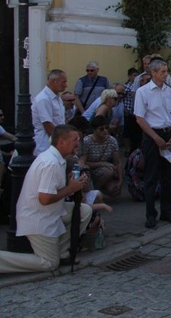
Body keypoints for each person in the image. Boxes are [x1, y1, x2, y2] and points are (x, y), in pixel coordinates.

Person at [0, 125, 92, 272]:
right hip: (38, 218)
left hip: (50, 212)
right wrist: (71, 188)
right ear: (61, 142)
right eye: (75, 139)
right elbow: (44, 199)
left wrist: (71, 185)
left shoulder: (55, 158)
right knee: (49, 263)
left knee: (84, 211)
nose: (78, 143)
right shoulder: (51, 163)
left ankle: (61, 252)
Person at [134, 59, 171, 229]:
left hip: (168, 133)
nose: (165, 74)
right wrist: (155, 137)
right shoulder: (143, 92)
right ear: (153, 73)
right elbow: (140, 118)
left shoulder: (168, 91)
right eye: (162, 71)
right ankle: (150, 214)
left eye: (165, 71)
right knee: (151, 176)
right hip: (152, 134)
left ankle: (167, 211)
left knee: (168, 176)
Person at [79, 116, 123, 198]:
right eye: (101, 129)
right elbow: (83, 162)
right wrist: (103, 163)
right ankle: (93, 193)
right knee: (108, 171)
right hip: (90, 171)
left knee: (114, 190)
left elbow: (118, 162)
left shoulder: (112, 140)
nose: (105, 131)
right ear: (94, 130)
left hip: (103, 171)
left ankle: (98, 190)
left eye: (107, 128)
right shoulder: (87, 141)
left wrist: (120, 181)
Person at [32, 70, 68, 156]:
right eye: (63, 82)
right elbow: (47, 125)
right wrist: (62, 141)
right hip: (46, 145)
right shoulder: (43, 99)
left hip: (56, 143)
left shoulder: (57, 98)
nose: (66, 85)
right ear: (53, 82)